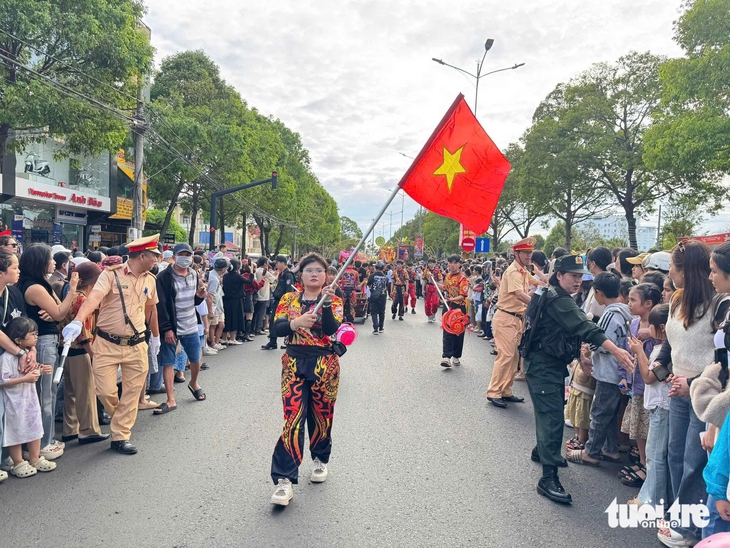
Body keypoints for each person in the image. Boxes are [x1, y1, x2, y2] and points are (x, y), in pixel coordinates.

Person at [522, 255, 634, 504]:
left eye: (580, 275)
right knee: (551, 417)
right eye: (572, 275)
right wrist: (616, 350)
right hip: (543, 366)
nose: (577, 280)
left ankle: (542, 451)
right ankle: (548, 478)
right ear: (558, 275)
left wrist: (579, 357)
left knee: (549, 413)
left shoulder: (551, 294)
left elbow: (557, 332)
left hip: (546, 362)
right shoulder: (559, 301)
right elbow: (585, 327)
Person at [651, 240, 730, 545]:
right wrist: (661, 367)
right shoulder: (677, 301)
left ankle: (688, 528)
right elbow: (672, 342)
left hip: (702, 395)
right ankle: (678, 514)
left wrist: (694, 381)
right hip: (678, 389)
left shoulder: (718, 305)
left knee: (695, 462)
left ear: (686, 270)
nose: (669, 272)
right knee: (675, 456)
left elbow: (721, 360)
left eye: (672, 266)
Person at [62, 234, 161, 455]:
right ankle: (121, 419)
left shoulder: (151, 280)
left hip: (136, 345)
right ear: (142, 255)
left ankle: (120, 436)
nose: (158, 259)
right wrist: (78, 322)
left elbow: (150, 309)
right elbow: (93, 299)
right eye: (154, 255)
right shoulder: (110, 275)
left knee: (133, 392)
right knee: (105, 391)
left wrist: (154, 337)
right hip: (107, 344)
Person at [269, 253, 343, 507]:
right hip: (293, 363)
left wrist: (325, 305)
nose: (314, 274)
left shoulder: (333, 300)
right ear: (300, 274)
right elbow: (275, 328)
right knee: (293, 418)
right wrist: (295, 323)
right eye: (309, 269)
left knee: (322, 416)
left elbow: (333, 329)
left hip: (325, 364)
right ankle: (284, 480)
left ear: (326, 275)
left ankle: (320, 459)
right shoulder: (288, 299)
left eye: (319, 270)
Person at [19, 243, 80, 461]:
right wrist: (72, 288)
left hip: (46, 340)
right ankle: (43, 443)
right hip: (43, 342)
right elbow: (60, 311)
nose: (54, 263)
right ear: (40, 261)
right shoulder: (34, 286)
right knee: (45, 393)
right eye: (50, 258)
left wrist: (55, 310)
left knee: (47, 392)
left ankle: (44, 440)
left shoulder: (40, 283)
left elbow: (57, 312)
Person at [487, 238, 543, 407]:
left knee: (514, 357)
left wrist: (541, 274)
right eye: (525, 253)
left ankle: (505, 390)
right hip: (506, 318)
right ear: (516, 254)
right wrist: (538, 307)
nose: (529, 256)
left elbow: (540, 283)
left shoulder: (523, 271)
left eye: (530, 252)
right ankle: (494, 391)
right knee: (506, 356)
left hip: (517, 319)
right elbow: (519, 294)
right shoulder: (512, 272)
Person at [60, 261, 109, 444]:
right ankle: (88, 430)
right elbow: (84, 333)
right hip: (81, 350)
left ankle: (70, 429)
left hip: (67, 349)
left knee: (71, 393)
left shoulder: (72, 295)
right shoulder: (83, 300)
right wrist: (94, 355)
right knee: (86, 393)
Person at [155, 243, 208, 415]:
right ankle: (171, 399)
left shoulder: (193, 274)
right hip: (172, 327)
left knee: (195, 359)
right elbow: (161, 305)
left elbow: (191, 300)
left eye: (188, 254)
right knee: (168, 362)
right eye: (181, 254)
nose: (185, 257)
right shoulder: (164, 277)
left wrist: (199, 298)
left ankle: (193, 383)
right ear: (174, 256)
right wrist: (167, 329)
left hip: (191, 324)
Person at [0, 317, 55, 477]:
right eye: (32, 334)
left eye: (36, 333)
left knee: (34, 428)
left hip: (30, 401)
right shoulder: (6, 358)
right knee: (15, 431)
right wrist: (25, 379)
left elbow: (32, 371)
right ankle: (17, 462)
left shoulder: (29, 356)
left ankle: (35, 458)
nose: (36, 337)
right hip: (14, 403)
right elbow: (3, 380)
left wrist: (41, 369)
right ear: (18, 340)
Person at [438, 255, 468, 368]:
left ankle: (456, 355)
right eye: (450, 263)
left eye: (455, 263)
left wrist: (451, 299)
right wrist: (433, 281)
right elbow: (445, 288)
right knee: (447, 331)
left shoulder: (462, 278)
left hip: (459, 308)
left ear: (459, 264)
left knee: (458, 332)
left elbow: (462, 296)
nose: (452, 265)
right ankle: (446, 356)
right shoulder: (448, 276)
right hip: (448, 306)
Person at [262, 256, 297, 350]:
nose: (276, 265)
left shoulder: (288, 274)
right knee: (273, 320)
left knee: (284, 321)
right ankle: (273, 340)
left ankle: (287, 340)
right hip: (278, 300)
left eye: (277, 263)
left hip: (284, 301)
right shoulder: (281, 274)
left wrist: (287, 302)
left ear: (283, 263)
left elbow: (289, 289)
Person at [222, 259, 246, 346]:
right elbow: (249, 281)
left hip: (226, 299)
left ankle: (224, 338)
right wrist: (250, 272)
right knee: (235, 318)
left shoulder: (225, 276)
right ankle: (232, 338)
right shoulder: (237, 276)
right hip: (236, 300)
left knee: (227, 318)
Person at [207, 258, 228, 350]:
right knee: (213, 325)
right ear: (223, 269)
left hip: (219, 303)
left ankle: (216, 341)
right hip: (214, 305)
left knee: (221, 324)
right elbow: (210, 296)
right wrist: (210, 310)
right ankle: (213, 342)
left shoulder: (216, 275)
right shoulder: (214, 279)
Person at [253, 256, 275, 336]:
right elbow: (273, 279)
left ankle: (253, 328)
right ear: (265, 263)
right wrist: (277, 274)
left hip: (256, 294)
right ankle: (258, 329)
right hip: (264, 295)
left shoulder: (256, 270)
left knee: (255, 313)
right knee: (261, 313)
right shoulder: (265, 272)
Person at [367, 261, 388, 334]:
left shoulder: (372, 275)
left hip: (374, 295)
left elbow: (369, 284)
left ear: (376, 267)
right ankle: (381, 327)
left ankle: (375, 328)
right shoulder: (385, 277)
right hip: (383, 295)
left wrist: (372, 291)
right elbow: (387, 286)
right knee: (382, 312)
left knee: (374, 312)